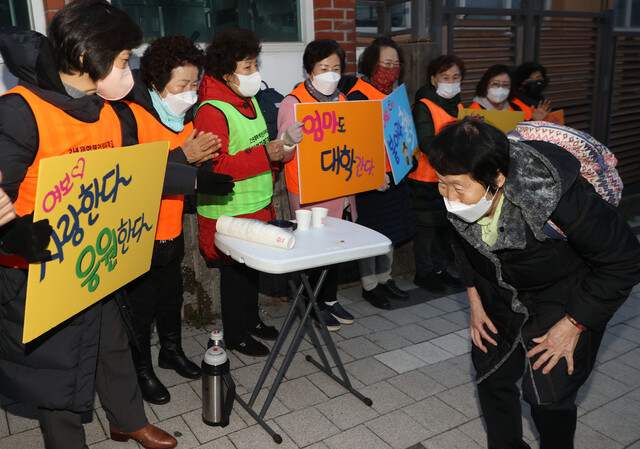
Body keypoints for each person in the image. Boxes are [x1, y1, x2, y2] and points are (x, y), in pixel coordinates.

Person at [0, 1, 177, 448]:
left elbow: (139, 166)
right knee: (57, 369)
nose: (128, 71)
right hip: (33, 267)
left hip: (92, 256)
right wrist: (14, 231)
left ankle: (127, 420)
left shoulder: (108, 108)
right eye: (122, 60)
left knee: (112, 342)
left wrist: (198, 178)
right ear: (86, 57)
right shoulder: (19, 112)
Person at [428, 119, 640, 449]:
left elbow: (624, 259)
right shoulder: (462, 190)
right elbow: (460, 243)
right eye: (441, 183)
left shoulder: (559, 197)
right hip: (497, 286)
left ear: (496, 178)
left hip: (564, 291)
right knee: (491, 376)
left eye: (456, 187)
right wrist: (474, 299)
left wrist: (574, 324)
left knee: (547, 395)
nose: (447, 195)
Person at [114, 35, 234, 405]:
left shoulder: (183, 116)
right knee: (141, 306)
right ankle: (142, 370)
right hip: (138, 230)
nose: (188, 92)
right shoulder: (130, 116)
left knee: (171, 296)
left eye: (194, 83)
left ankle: (171, 351)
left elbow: (190, 169)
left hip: (171, 223)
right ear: (155, 81)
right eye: (180, 84)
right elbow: (132, 176)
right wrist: (184, 156)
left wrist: (206, 163)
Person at [196, 28, 291, 357]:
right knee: (235, 276)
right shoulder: (213, 110)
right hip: (228, 213)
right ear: (227, 74)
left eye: (255, 65)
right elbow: (215, 168)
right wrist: (267, 156)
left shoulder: (247, 102)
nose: (256, 73)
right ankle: (235, 333)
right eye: (248, 67)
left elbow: (256, 149)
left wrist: (276, 159)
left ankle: (250, 322)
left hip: (255, 206)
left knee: (250, 272)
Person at [277, 39, 356, 331]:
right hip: (310, 192)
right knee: (315, 249)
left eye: (336, 68)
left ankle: (330, 298)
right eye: (324, 68)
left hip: (339, 185)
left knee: (336, 246)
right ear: (309, 71)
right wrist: (288, 141)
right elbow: (283, 151)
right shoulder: (293, 103)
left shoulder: (343, 100)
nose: (331, 74)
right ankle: (312, 304)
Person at [346, 37, 416, 309]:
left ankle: (385, 279)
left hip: (395, 176)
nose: (392, 69)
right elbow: (356, 141)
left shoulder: (394, 95)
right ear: (371, 63)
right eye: (386, 63)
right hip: (371, 179)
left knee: (390, 233)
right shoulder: (358, 95)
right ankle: (370, 285)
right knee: (371, 233)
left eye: (396, 64)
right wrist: (373, 174)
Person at [409, 55, 464, 293]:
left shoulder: (461, 106)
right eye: (445, 77)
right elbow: (427, 143)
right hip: (426, 179)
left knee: (445, 228)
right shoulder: (424, 105)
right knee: (426, 230)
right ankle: (424, 273)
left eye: (456, 77)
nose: (451, 82)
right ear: (433, 79)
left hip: (452, 180)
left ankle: (441, 270)